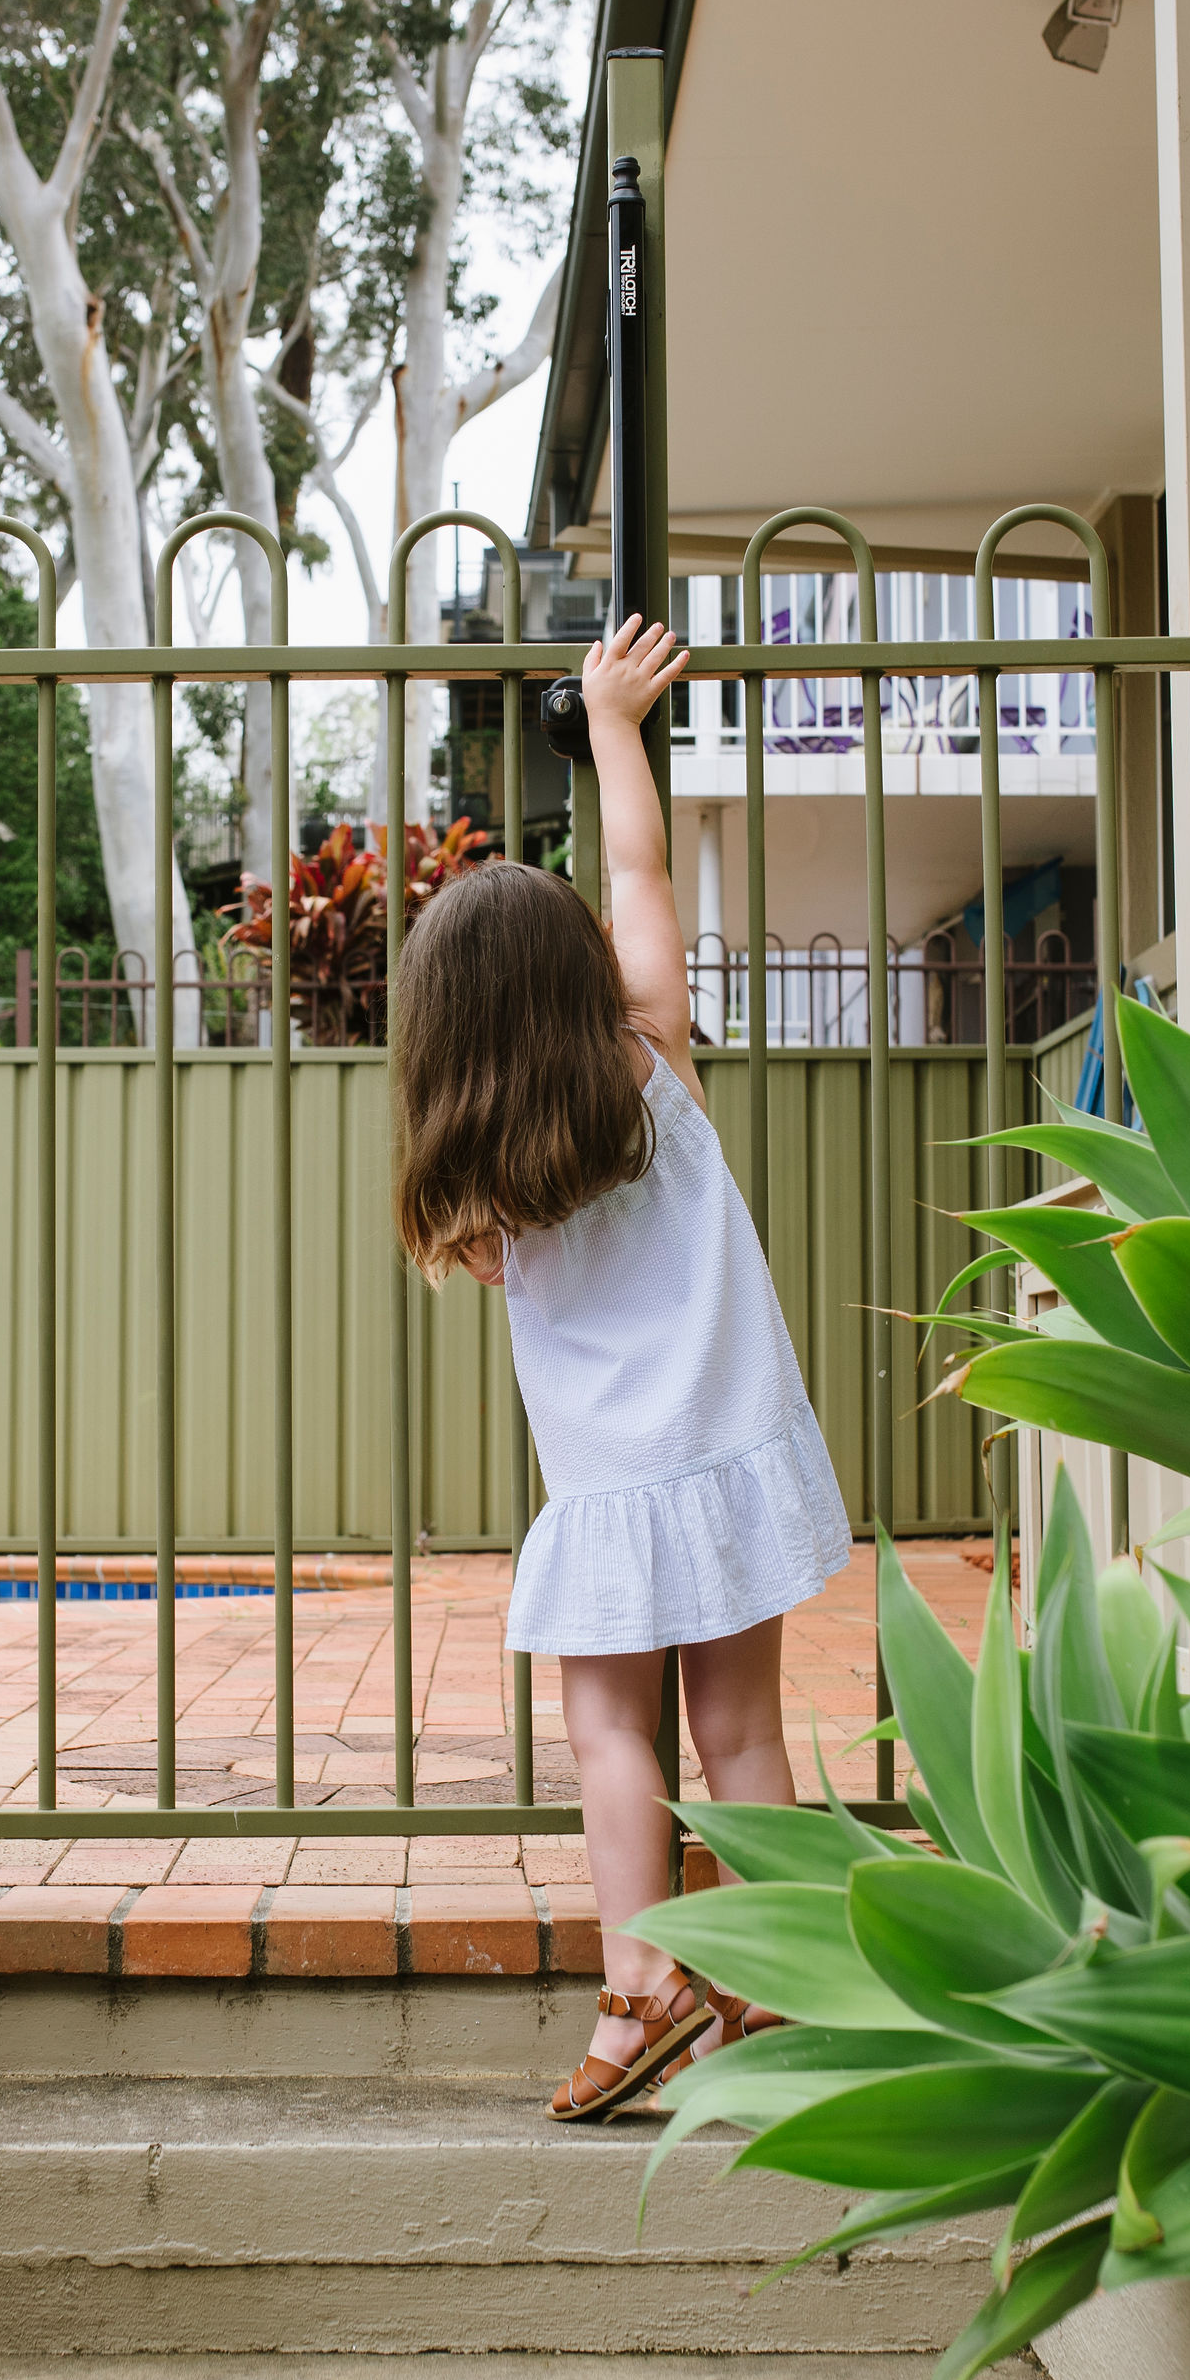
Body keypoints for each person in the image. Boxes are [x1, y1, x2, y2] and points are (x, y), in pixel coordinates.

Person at [387, 613, 850, 2121]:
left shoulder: (477, 1187)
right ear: (580, 978)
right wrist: (610, 723)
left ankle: (640, 1988)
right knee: (745, 1733)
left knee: (611, 1730)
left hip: (611, 1492)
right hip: (733, 1455)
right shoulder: (656, 1065)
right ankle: (779, 1993)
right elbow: (642, 874)